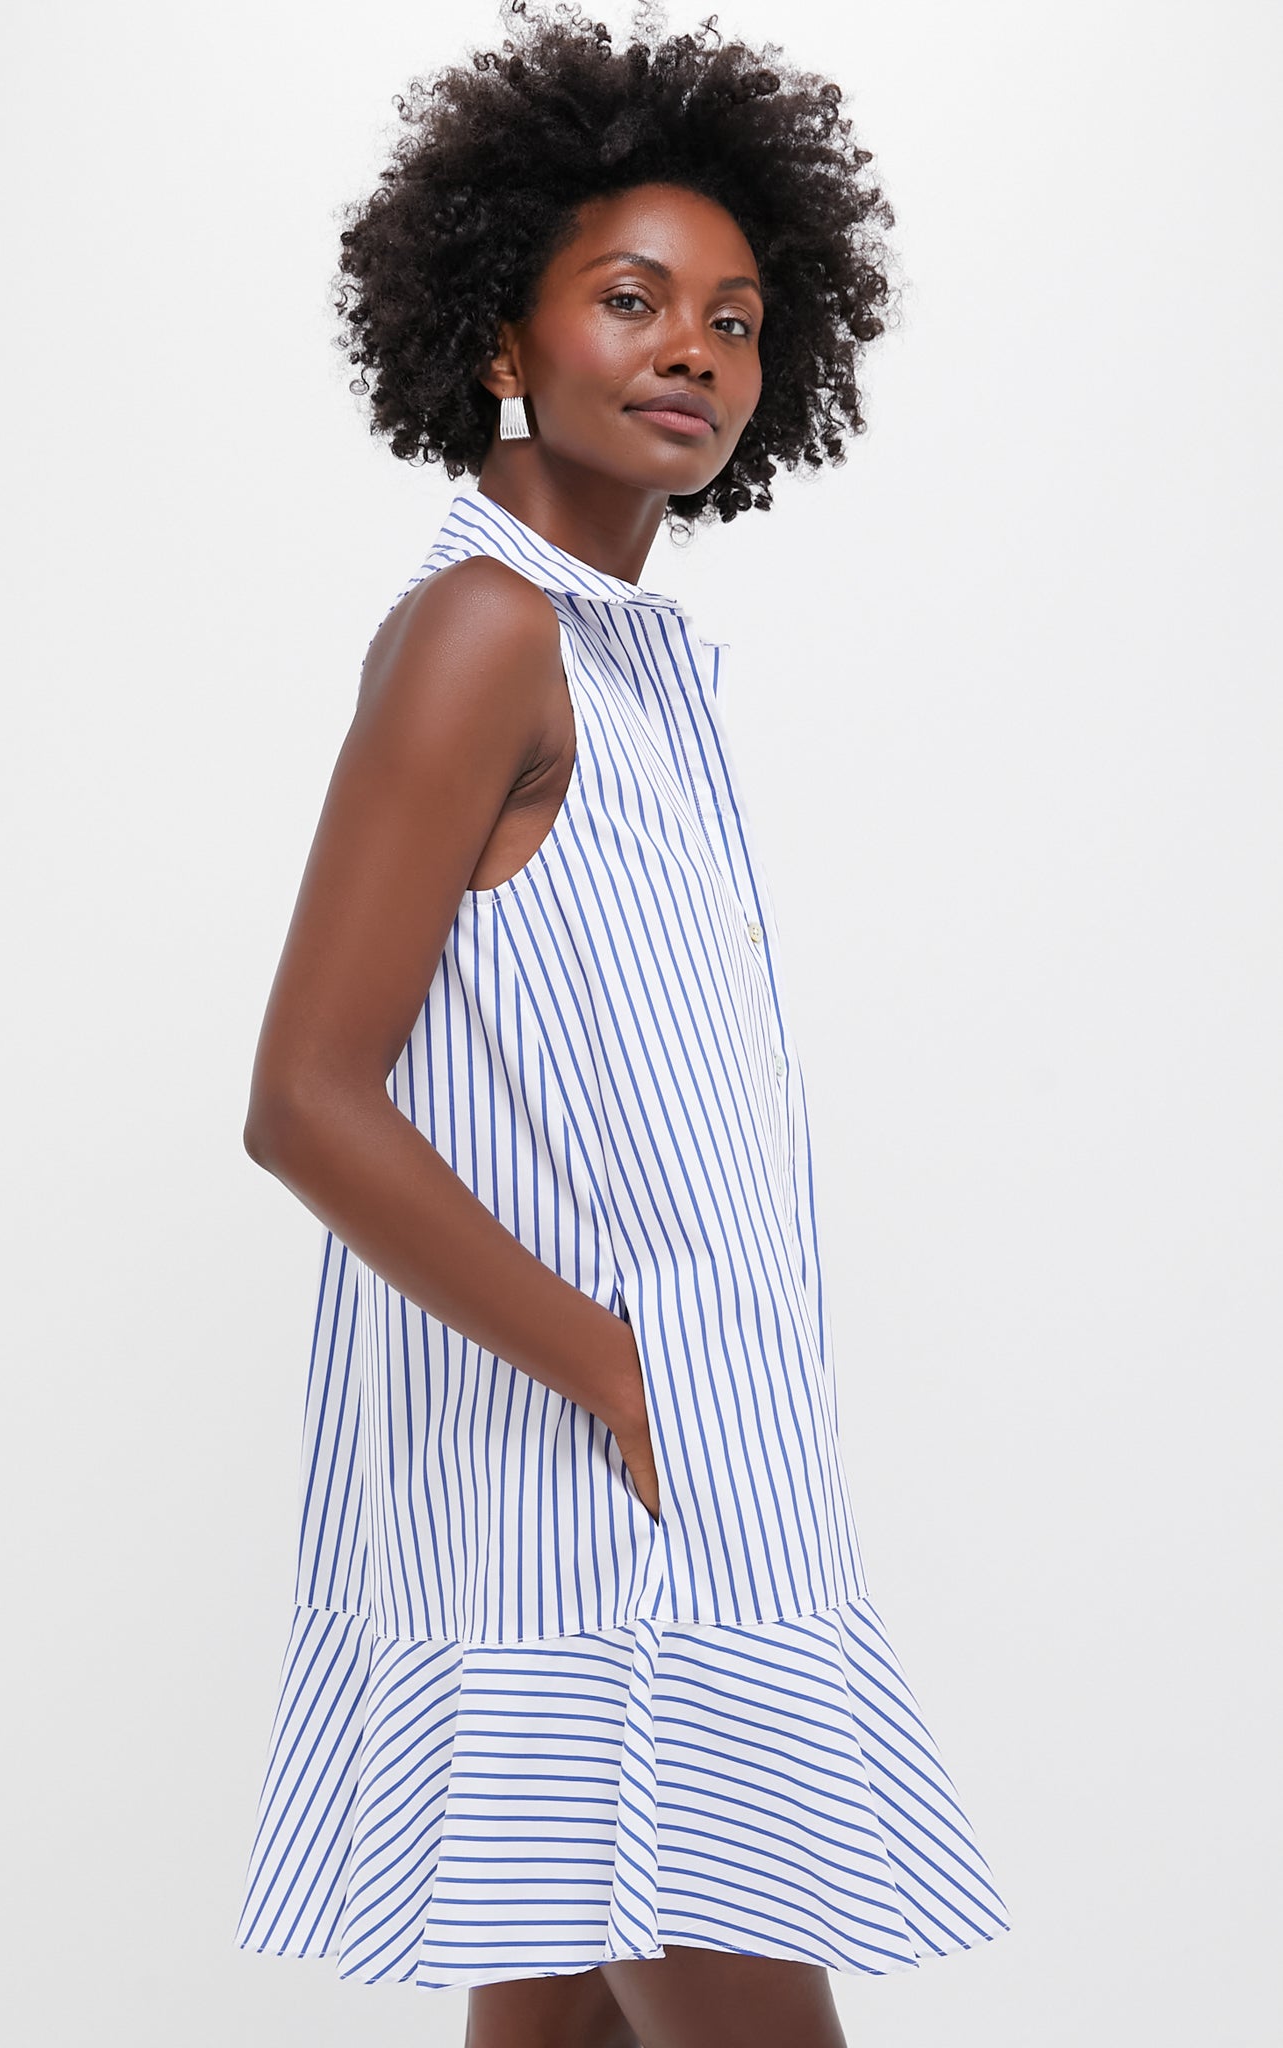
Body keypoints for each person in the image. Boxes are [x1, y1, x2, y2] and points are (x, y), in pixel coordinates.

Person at [233, 6, 1012, 2043]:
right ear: (502, 332)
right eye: (633, 299)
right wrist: (628, 1382)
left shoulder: (629, 663)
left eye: (736, 319)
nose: (695, 349)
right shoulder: (484, 630)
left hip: (648, 1480)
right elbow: (305, 1096)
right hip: (602, 1502)